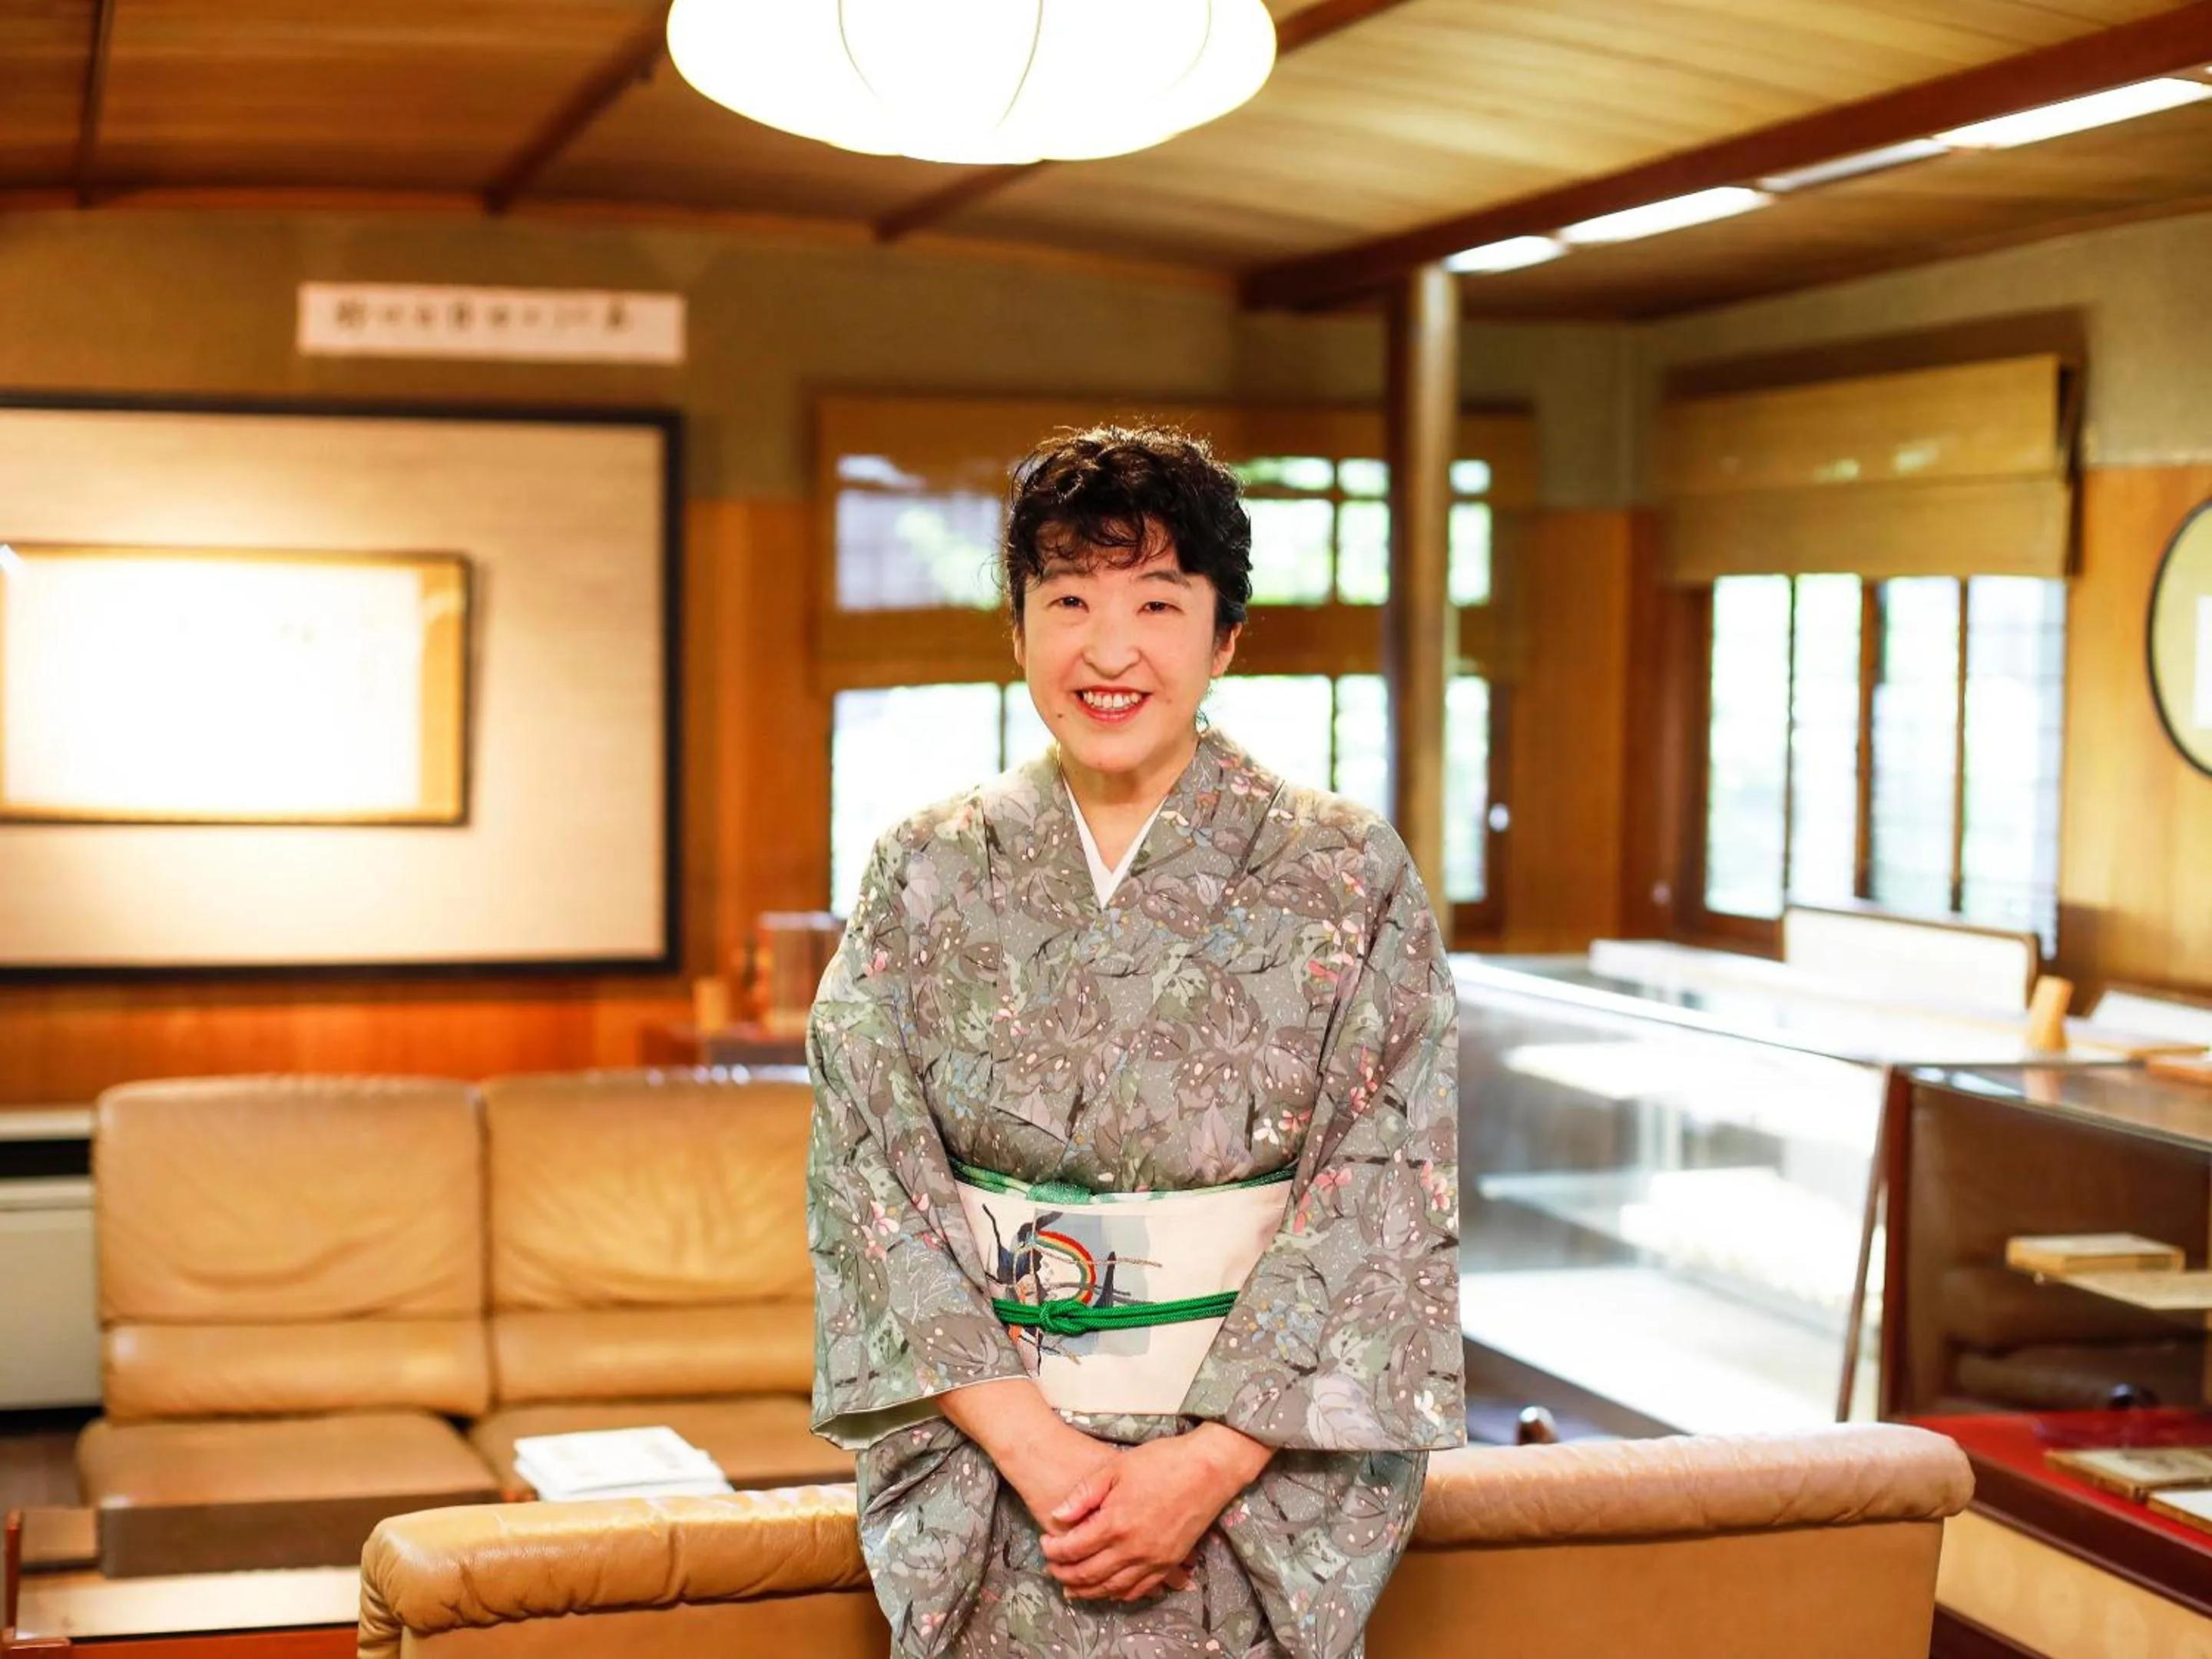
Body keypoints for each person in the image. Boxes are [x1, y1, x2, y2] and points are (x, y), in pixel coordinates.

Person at [806, 423, 1462, 1659]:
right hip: (996, 1474)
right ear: (1017, 633)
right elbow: (868, 1183)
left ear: (1225, 637)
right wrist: (1038, 1451)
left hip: (1250, 1482)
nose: (1110, 650)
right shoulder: (926, 871)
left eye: (1159, 601)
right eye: (1068, 600)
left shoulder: (1343, 873)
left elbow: (1382, 1193)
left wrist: (1204, 1467)